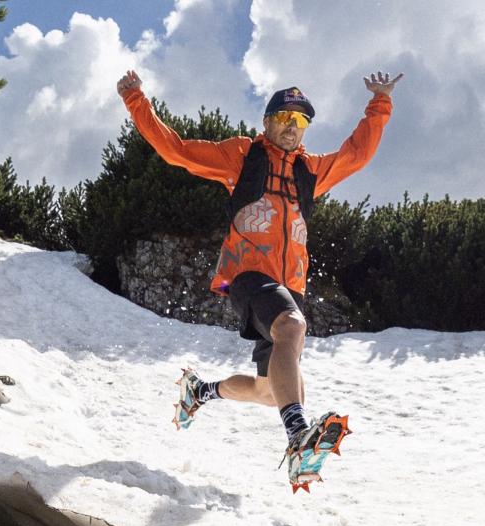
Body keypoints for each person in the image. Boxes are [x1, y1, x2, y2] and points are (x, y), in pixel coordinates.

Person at [117, 69, 402, 491]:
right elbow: (176, 151)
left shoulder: (310, 170)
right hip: (248, 275)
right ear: (267, 122)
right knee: (292, 327)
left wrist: (379, 103)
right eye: (284, 117)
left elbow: (355, 155)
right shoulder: (242, 155)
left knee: (271, 390)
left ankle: (201, 392)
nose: (292, 126)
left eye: (301, 121)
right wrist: (135, 100)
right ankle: (297, 438)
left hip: (292, 289)